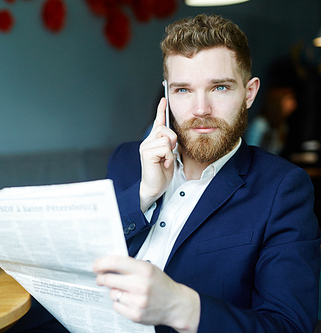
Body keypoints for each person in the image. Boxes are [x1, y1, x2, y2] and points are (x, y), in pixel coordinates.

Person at [94, 14, 321, 333]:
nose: (201, 109)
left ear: (249, 93)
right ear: (167, 95)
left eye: (219, 87)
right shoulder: (127, 160)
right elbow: (85, 260)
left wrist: (181, 307)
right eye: (183, 90)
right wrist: (143, 195)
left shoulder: (283, 190)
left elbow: (289, 326)